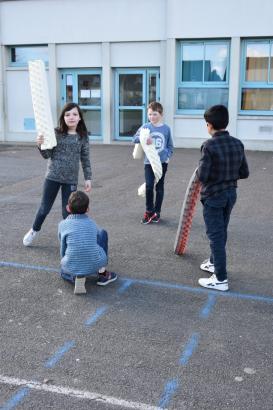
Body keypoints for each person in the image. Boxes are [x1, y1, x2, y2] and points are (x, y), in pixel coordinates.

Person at [23, 102, 92, 246]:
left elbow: (85, 158)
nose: (71, 117)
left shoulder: (83, 136)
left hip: (70, 180)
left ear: (80, 118)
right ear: (63, 117)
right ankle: (34, 230)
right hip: (52, 177)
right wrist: (40, 144)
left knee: (67, 212)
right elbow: (47, 154)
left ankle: (68, 239)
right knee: (44, 208)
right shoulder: (55, 133)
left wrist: (88, 178)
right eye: (67, 114)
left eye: (74, 114)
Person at [197, 105, 249, 291]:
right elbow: (244, 172)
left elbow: (202, 176)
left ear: (209, 125)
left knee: (215, 236)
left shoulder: (208, 145)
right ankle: (213, 262)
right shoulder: (237, 143)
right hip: (230, 194)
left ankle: (220, 278)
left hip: (213, 196)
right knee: (221, 230)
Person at [58, 190, 117, 294]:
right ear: (88, 209)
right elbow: (95, 241)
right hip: (94, 266)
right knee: (102, 233)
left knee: (63, 270)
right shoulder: (92, 224)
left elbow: (63, 248)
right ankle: (102, 273)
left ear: (68, 208)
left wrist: (64, 262)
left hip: (71, 266)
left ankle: (75, 277)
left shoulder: (62, 225)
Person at [133, 101, 173, 224]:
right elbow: (134, 138)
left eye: (154, 114)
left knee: (159, 187)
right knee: (149, 186)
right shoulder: (146, 127)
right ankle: (149, 211)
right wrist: (144, 138)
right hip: (148, 163)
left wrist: (167, 157)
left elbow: (170, 146)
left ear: (161, 114)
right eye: (150, 114)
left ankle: (157, 212)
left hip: (162, 163)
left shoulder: (166, 129)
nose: (152, 117)